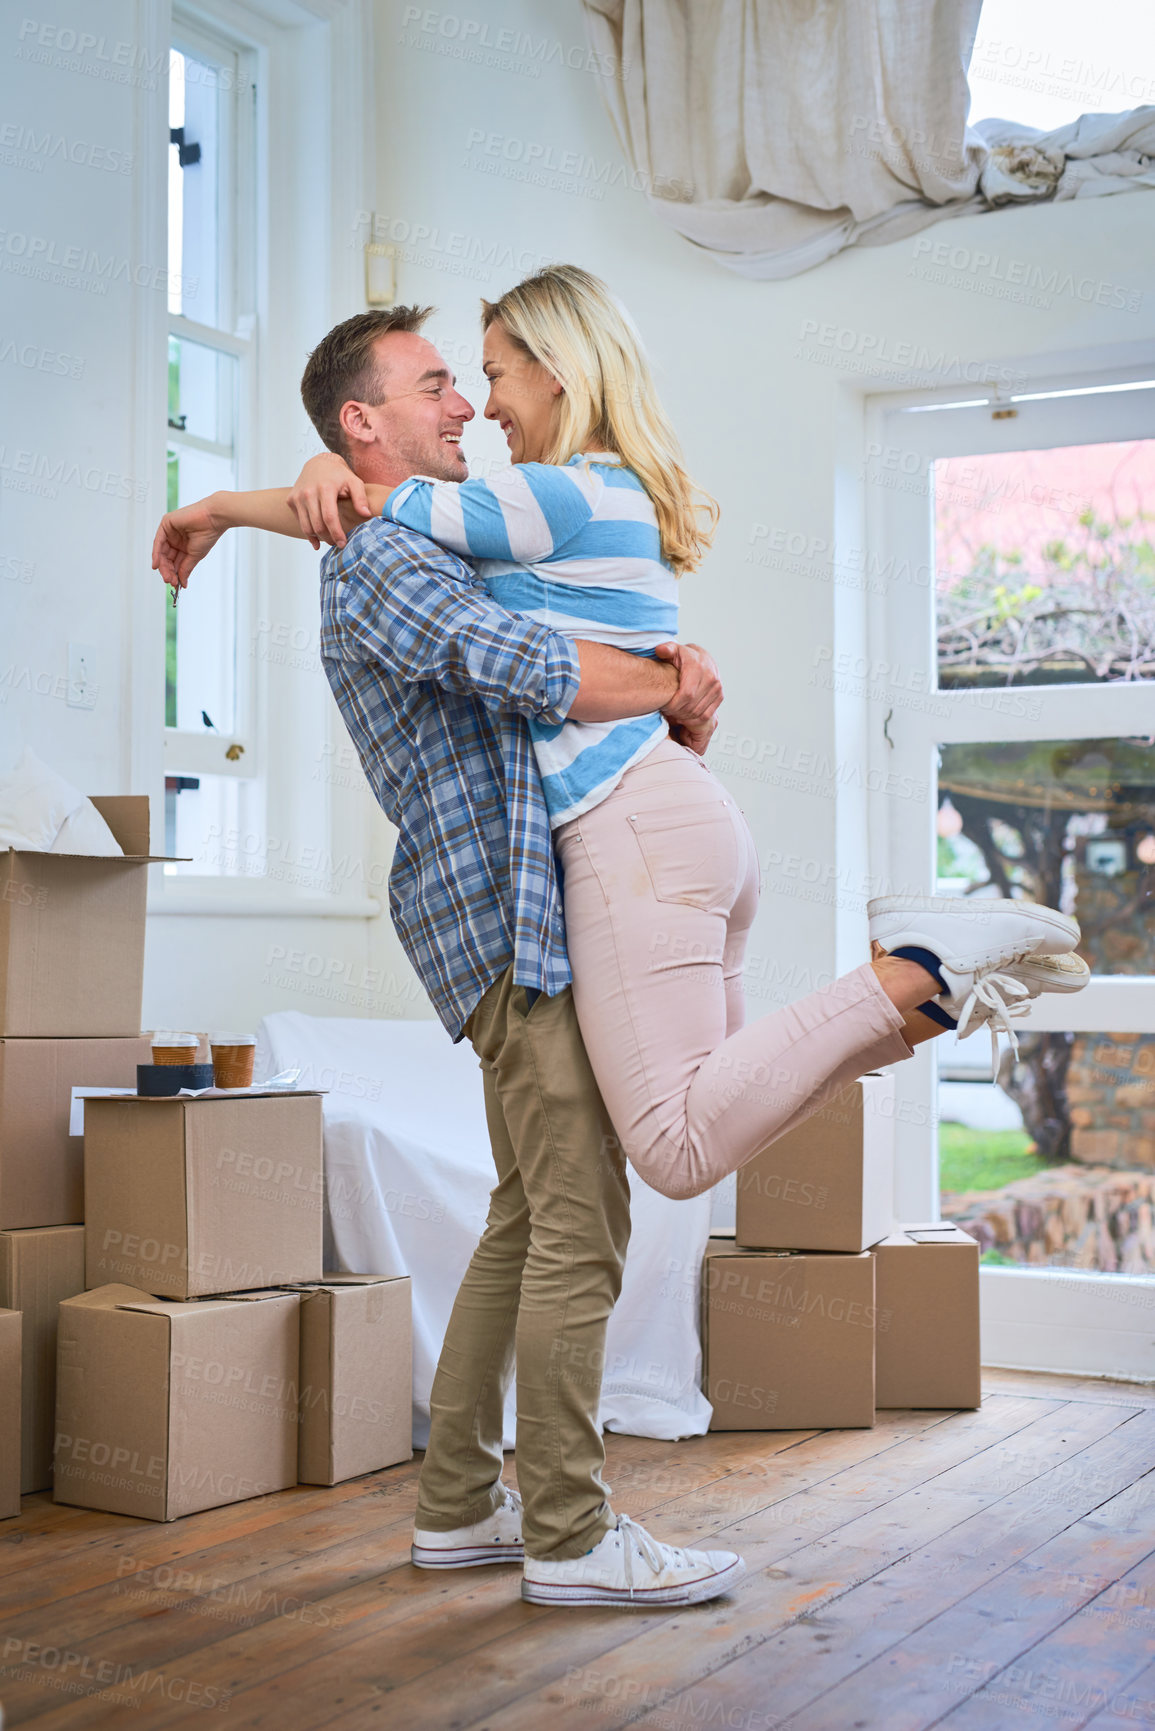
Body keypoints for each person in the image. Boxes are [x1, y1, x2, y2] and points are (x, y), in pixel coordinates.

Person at [153, 288, 1085, 1605]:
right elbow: (525, 664)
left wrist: (254, 499)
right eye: (435, 385)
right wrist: (669, 671)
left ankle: (458, 1504)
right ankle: (571, 1534)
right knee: (585, 1216)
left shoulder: (430, 535)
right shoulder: (382, 561)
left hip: (527, 904)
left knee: (531, 1213)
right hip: (505, 919)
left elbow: (540, 621)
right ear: (365, 421)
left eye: (471, 378)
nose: (462, 404)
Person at [174, 266, 1089, 1203]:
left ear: (556, 370)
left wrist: (300, 478)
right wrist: (234, 504)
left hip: (627, 826)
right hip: (686, 816)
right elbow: (366, 508)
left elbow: (381, 518)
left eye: (489, 375)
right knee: (734, 1098)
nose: (481, 408)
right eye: (453, 383)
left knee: (675, 1149)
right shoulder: (604, 492)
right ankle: (935, 993)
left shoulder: (541, 496)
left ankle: (925, 961)